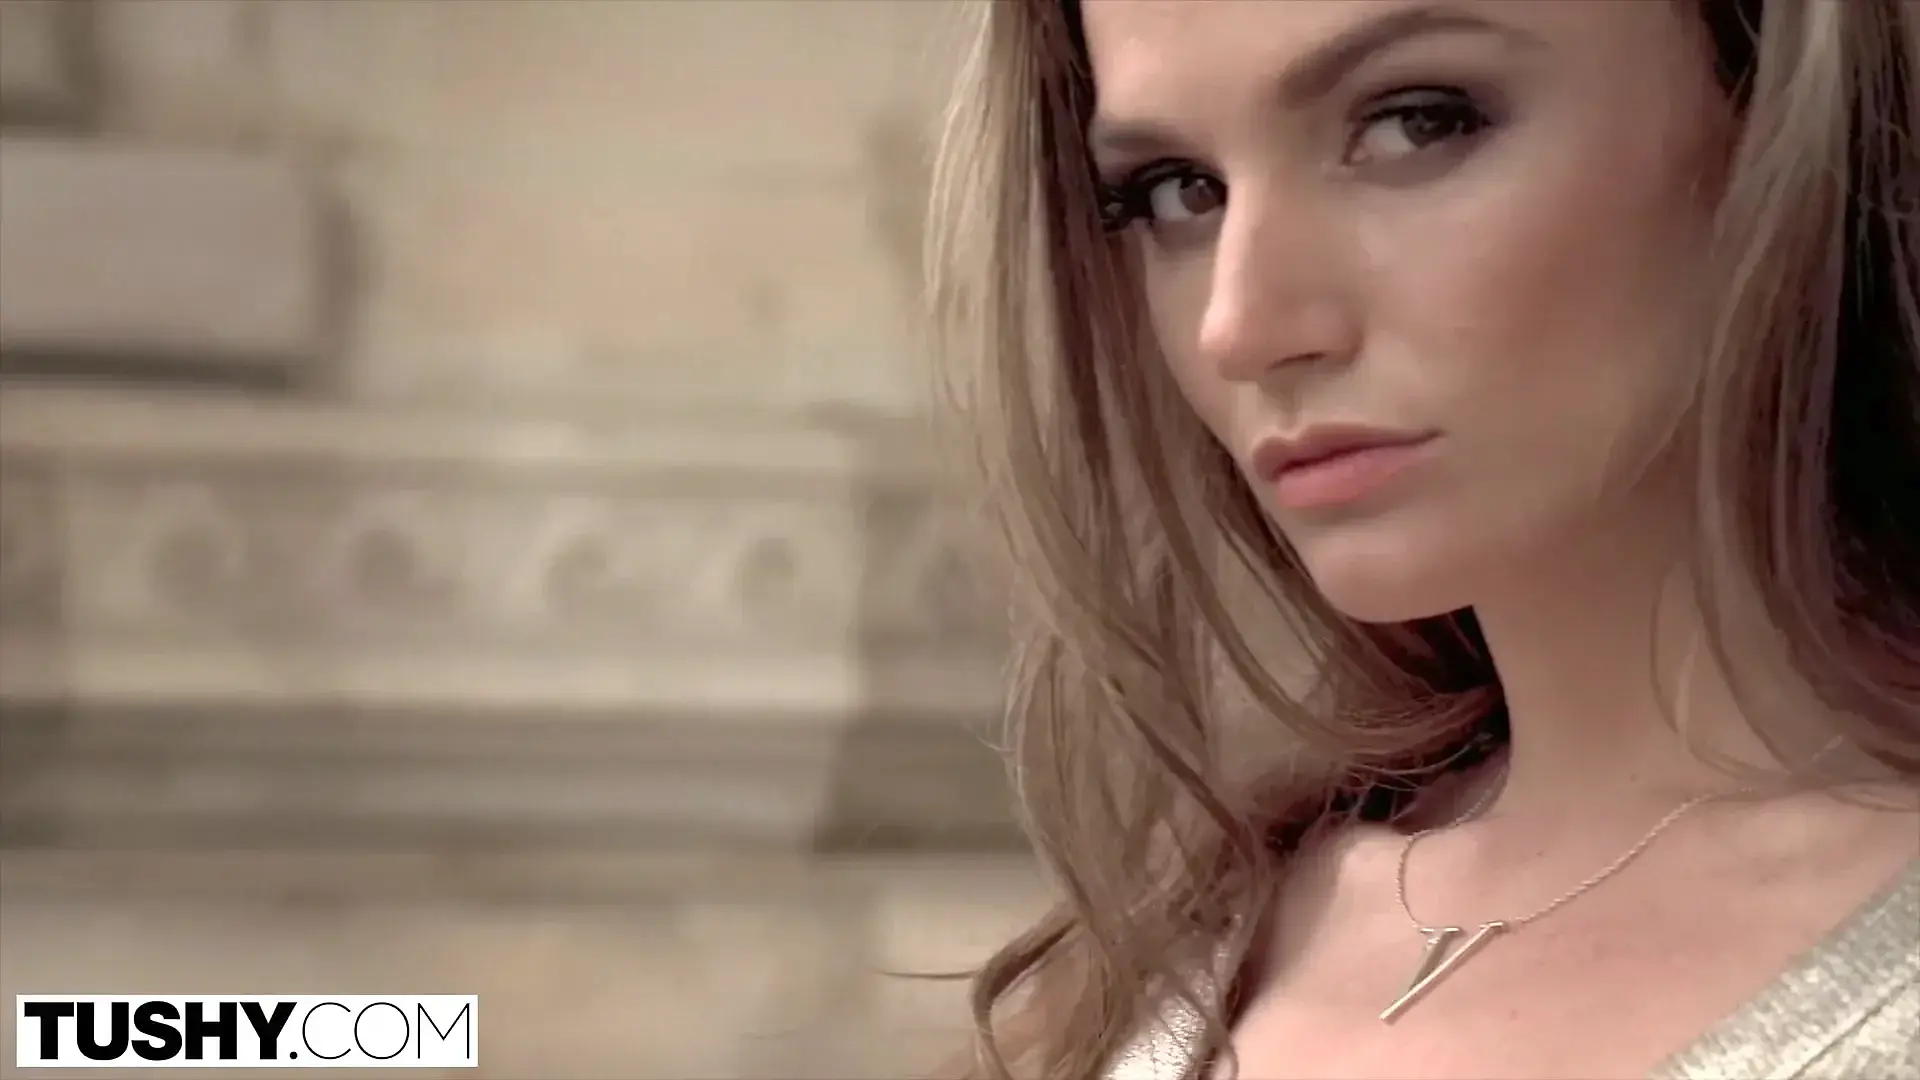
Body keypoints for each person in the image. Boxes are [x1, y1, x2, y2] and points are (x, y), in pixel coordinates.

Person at [924, 0, 1918, 1077]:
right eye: (1177, 191)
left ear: (1776, 102)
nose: (1241, 326)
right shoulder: (1170, 956)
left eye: (1416, 122)